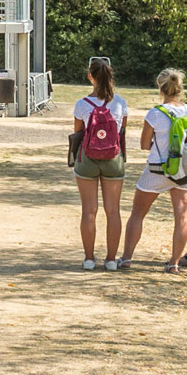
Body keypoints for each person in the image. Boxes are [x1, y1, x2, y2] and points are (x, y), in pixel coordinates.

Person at [119, 68, 187, 272]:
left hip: (158, 170)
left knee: (138, 213)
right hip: (184, 170)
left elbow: (145, 145)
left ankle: (126, 258)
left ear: (161, 88)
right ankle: (174, 263)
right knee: (181, 216)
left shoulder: (156, 113)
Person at [69, 56, 128, 270]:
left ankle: (89, 259)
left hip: (87, 159)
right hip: (114, 159)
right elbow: (121, 133)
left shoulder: (81, 104)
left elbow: (78, 133)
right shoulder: (120, 103)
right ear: (110, 77)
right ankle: (111, 260)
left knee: (89, 210)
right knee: (113, 210)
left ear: (90, 77)